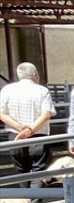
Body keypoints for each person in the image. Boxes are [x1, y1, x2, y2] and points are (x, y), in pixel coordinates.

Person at [0, 61, 55, 191]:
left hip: (15, 136)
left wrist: (20, 129)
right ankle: (35, 202)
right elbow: (46, 114)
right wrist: (30, 130)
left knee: (21, 171)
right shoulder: (42, 91)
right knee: (39, 170)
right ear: (35, 75)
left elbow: (1, 114)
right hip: (39, 135)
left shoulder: (7, 90)